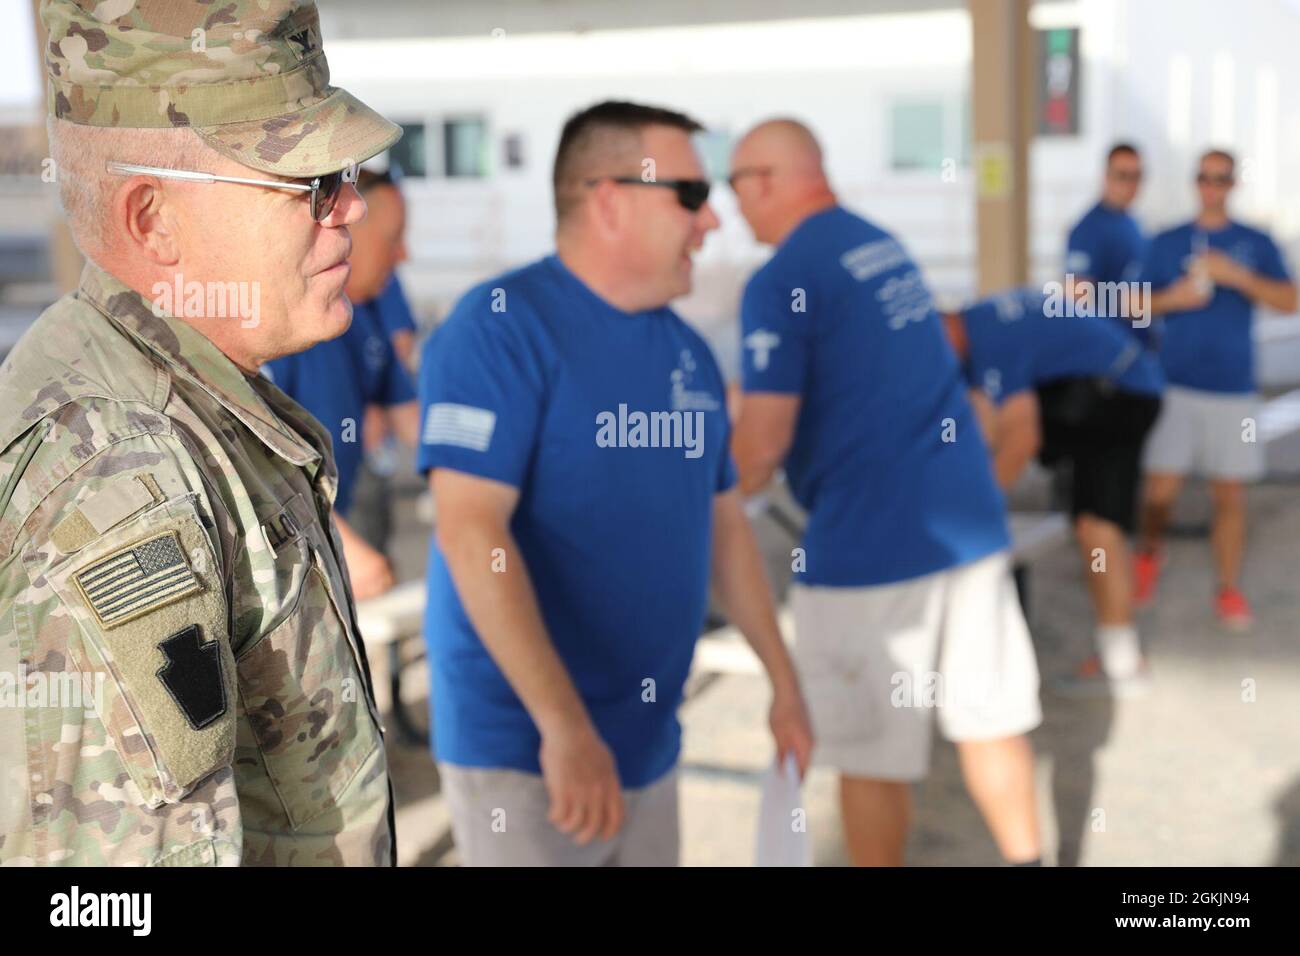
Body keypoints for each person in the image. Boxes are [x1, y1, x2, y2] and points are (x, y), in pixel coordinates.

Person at [0, 0, 399, 866]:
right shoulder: (116, 478)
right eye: (312, 185)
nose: (352, 209)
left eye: (351, 174)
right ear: (154, 221)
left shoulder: (195, 399)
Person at [416, 101, 813, 866]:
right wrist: (564, 729)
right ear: (608, 200)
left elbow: (725, 527)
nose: (712, 222)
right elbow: (471, 531)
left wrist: (784, 682)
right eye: (692, 196)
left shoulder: (689, 355)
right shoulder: (499, 328)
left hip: (647, 741)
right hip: (527, 751)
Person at [728, 118, 1042, 866]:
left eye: (734, 185)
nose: (729, 207)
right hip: (967, 525)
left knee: (869, 755)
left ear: (766, 181)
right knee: (990, 719)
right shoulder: (879, 243)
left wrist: (681, 505)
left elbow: (761, 447)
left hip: (869, 547)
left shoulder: (780, 281)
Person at [942, 287, 1163, 695]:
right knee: (1092, 524)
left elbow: (1020, 436)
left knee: (1098, 528)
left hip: (1117, 396)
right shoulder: (983, 321)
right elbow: (988, 417)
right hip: (1116, 389)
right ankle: (1120, 656)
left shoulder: (989, 338)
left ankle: (1123, 664)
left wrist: (973, 511)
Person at [1136, 149, 1297, 628]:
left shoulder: (1256, 241)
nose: (1212, 185)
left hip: (1234, 390)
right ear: (1195, 182)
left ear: (1232, 184)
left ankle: (1228, 587)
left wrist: (1238, 276)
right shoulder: (1166, 241)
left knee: (1230, 495)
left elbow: (1289, 300)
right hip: (1176, 385)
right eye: (1205, 177)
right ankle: (1149, 554)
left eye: (1221, 178)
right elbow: (1135, 304)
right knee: (1159, 491)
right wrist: (1176, 297)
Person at [264, 169, 420, 599]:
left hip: (337, 522)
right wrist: (341, 543)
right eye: (393, 239)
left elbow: (413, 420)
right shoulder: (284, 325)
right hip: (287, 558)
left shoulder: (368, 311)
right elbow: (260, 455)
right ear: (349, 232)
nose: (403, 255)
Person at [1065, 143, 1148, 339]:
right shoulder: (1088, 230)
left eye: (1136, 176)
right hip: (1111, 348)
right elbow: (1077, 303)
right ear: (1106, 176)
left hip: (1138, 342)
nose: (1130, 184)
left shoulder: (1133, 224)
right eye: (1123, 175)